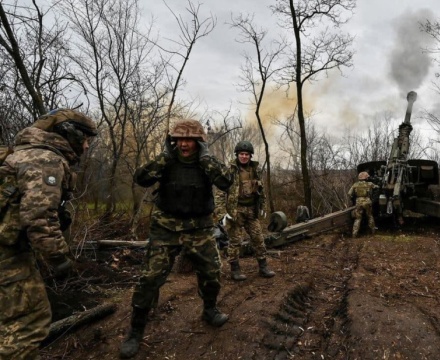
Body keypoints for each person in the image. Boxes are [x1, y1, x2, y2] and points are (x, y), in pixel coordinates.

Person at [119, 119, 233, 359]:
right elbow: (141, 178)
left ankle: (209, 309)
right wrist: (165, 157)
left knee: (212, 271)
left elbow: (226, 182)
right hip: (166, 227)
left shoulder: (205, 162)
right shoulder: (166, 160)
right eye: (180, 139)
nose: (184, 144)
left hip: (199, 227)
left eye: (189, 139)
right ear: (173, 141)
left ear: (198, 142)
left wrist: (206, 159)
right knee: (150, 277)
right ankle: (136, 330)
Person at [0, 109, 97, 359]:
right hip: (6, 255)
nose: (86, 147)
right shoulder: (44, 159)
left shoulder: (21, 153)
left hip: (10, 248)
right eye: (85, 139)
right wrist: (60, 259)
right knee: (29, 321)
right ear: (70, 134)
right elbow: (39, 217)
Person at [220, 140, 275, 281]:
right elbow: (219, 192)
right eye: (241, 154)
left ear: (250, 156)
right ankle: (235, 270)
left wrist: (263, 205)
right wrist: (222, 213)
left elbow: (261, 190)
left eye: (246, 154)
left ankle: (263, 267)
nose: (244, 156)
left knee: (258, 239)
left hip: (251, 210)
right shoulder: (230, 171)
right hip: (236, 211)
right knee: (235, 241)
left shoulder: (255, 170)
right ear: (237, 155)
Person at [347, 171, 379, 238]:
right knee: (370, 216)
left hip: (359, 202)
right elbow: (377, 187)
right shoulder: (370, 184)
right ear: (366, 178)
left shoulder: (355, 184)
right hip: (367, 201)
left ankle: (354, 234)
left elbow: (349, 194)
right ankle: (373, 232)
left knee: (358, 218)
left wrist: (353, 198)